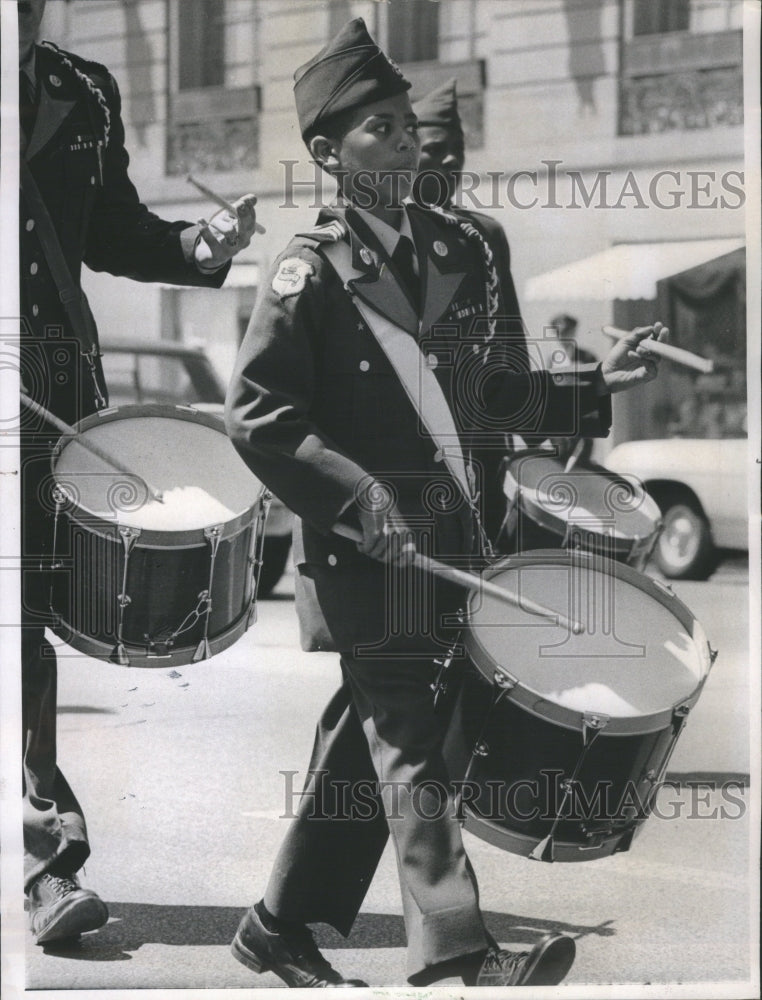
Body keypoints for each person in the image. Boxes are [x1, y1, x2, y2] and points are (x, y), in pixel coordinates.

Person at [225, 17, 666, 989]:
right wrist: (357, 495)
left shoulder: (459, 249)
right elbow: (259, 418)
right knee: (413, 745)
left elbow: (494, 393)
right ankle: (463, 950)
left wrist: (593, 385)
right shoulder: (306, 270)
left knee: (374, 745)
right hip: (365, 553)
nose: (402, 139)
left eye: (401, 121)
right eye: (376, 129)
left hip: (455, 540)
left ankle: (274, 926)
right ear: (329, 155)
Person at [17, 0, 259, 946]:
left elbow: (111, 229)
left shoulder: (82, 89)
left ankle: (45, 864)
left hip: (49, 389)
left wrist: (198, 248)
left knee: (22, 629)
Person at [413, 78, 530, 548]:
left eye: (458, 149)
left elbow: (510, 344)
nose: (451, 161)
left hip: (480, 448)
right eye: (437, 149)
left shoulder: (484, 236)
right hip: (414, 452)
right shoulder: (374, 236)